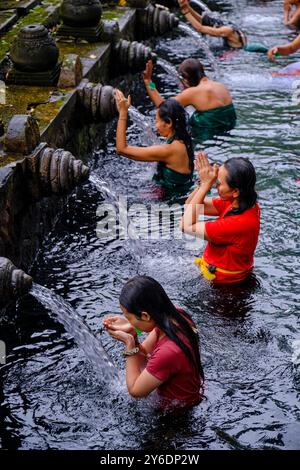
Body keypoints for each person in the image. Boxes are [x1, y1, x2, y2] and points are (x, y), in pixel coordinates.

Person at [103, 275, 204, 409]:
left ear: (145, 315)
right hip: (194, 393)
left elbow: (135, 391)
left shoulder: (168, 352)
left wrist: (129, 343)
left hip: (178, 415)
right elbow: (144, 354)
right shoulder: (178, 316)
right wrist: (134, 331)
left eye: (129, 318)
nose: (128, 322)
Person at [180, 152, 260, 284]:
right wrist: (203, 184)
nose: (215, 184)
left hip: (224, 287)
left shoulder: (238, 223)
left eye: (218, 182)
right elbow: (191, 205)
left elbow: (185, 225)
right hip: (214, 271)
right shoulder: (241, 202)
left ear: (235, 191)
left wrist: (207, 184)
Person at [114, 89, 194, 193]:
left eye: (156, 121)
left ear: (169, 123)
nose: (155, 126)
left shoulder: (168, 150)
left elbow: (121, 149)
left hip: (170, 200)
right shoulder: (184, 140)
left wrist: (123, 113)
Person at [143, 58, 237, 143]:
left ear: (186, 78)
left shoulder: (192, 92)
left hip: (206, 141)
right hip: (227, 135)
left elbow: (163, 107)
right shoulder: (221, 86)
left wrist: (149, 82)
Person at [178, 0, 269, 52]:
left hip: (236, 54)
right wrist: (187, 6)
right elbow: (201, 21)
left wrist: (185, 11)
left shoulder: (226, 30)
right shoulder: (222, 24)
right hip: (232, 49)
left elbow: (200, 28)